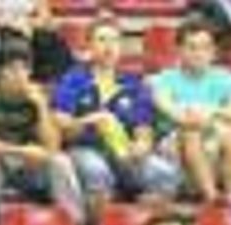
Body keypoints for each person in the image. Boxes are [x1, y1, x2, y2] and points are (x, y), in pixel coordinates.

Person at [0, 38, 85, 225]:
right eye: (12, 69)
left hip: (28, 167)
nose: (19, 75)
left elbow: (53, 146)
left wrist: (41, 107)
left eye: (24, 69)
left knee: (60, 161)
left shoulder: (38, 95)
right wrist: (19, 151)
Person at [51, 18, 178, 210]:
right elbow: (61, 125)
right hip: (85, 148)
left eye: (114, 40)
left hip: (124, 152)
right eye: (101, 40)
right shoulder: (73, 80)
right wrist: (89, 121)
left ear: (121, 47)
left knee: (165, 174)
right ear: (89, 46)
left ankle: (134, 224)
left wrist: (141, 146)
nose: (108, 47)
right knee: (97, 172)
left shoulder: (134, 84)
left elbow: (143, 129)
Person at [149, 17, 231, 205]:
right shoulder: (162, 80)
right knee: (191, 129)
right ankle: (211, 197)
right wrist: (201, 117)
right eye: (192, 47)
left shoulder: (224, 77)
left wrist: (211, 111)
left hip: (212, 143)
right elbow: (172, 112)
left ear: (213, 51)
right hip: (174, 150)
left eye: (205, 47)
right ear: (179, 50)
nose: (199, 53)